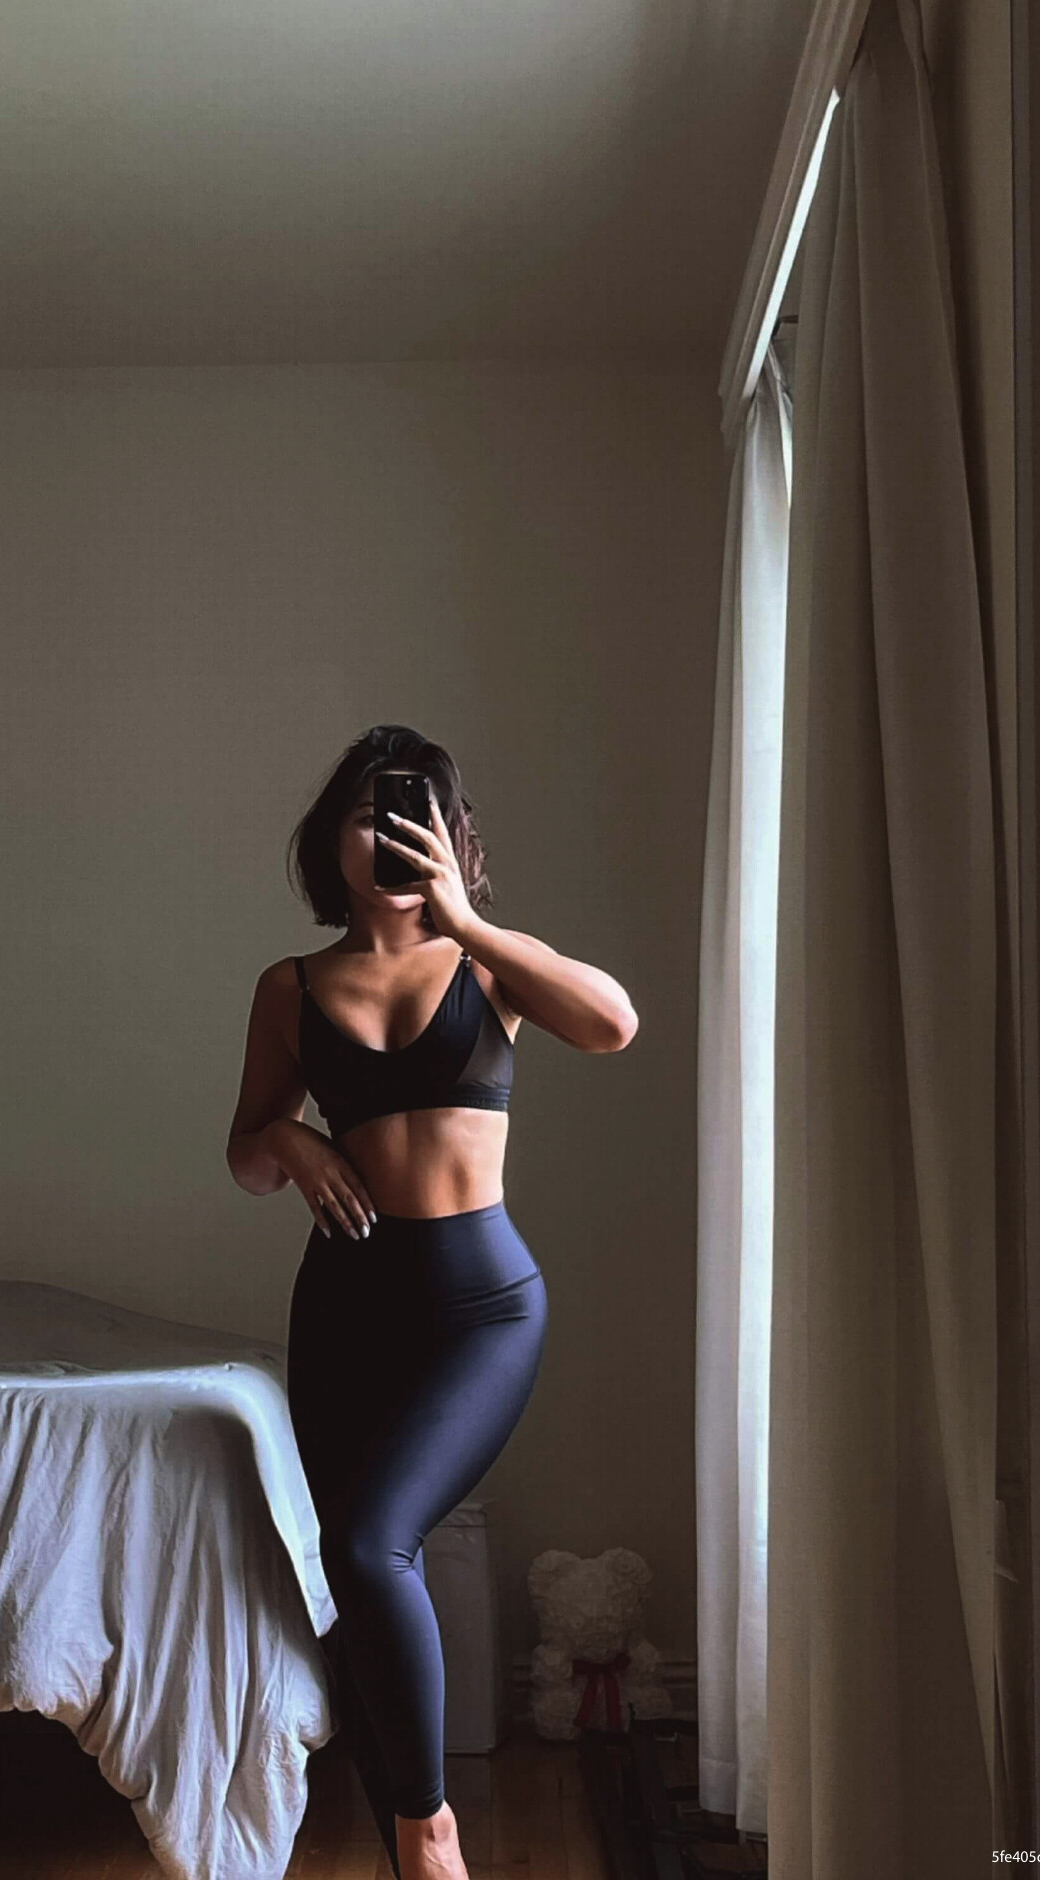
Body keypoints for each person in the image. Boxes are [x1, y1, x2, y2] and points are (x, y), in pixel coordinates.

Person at [225, 724, 638, 1880]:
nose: (390, 834)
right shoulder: (289, 987)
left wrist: (466, 919)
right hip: (344, 1308)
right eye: (369, 815)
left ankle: (431, 1828)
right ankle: (412, 1847)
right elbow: (246, 1153)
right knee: (355, 1575)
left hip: (479, 1310)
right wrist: (292, 1141)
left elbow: (613, 1023)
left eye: (415, 814)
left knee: (371, 1542)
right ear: (334, 841)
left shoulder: (487, 963)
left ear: (453, 837)